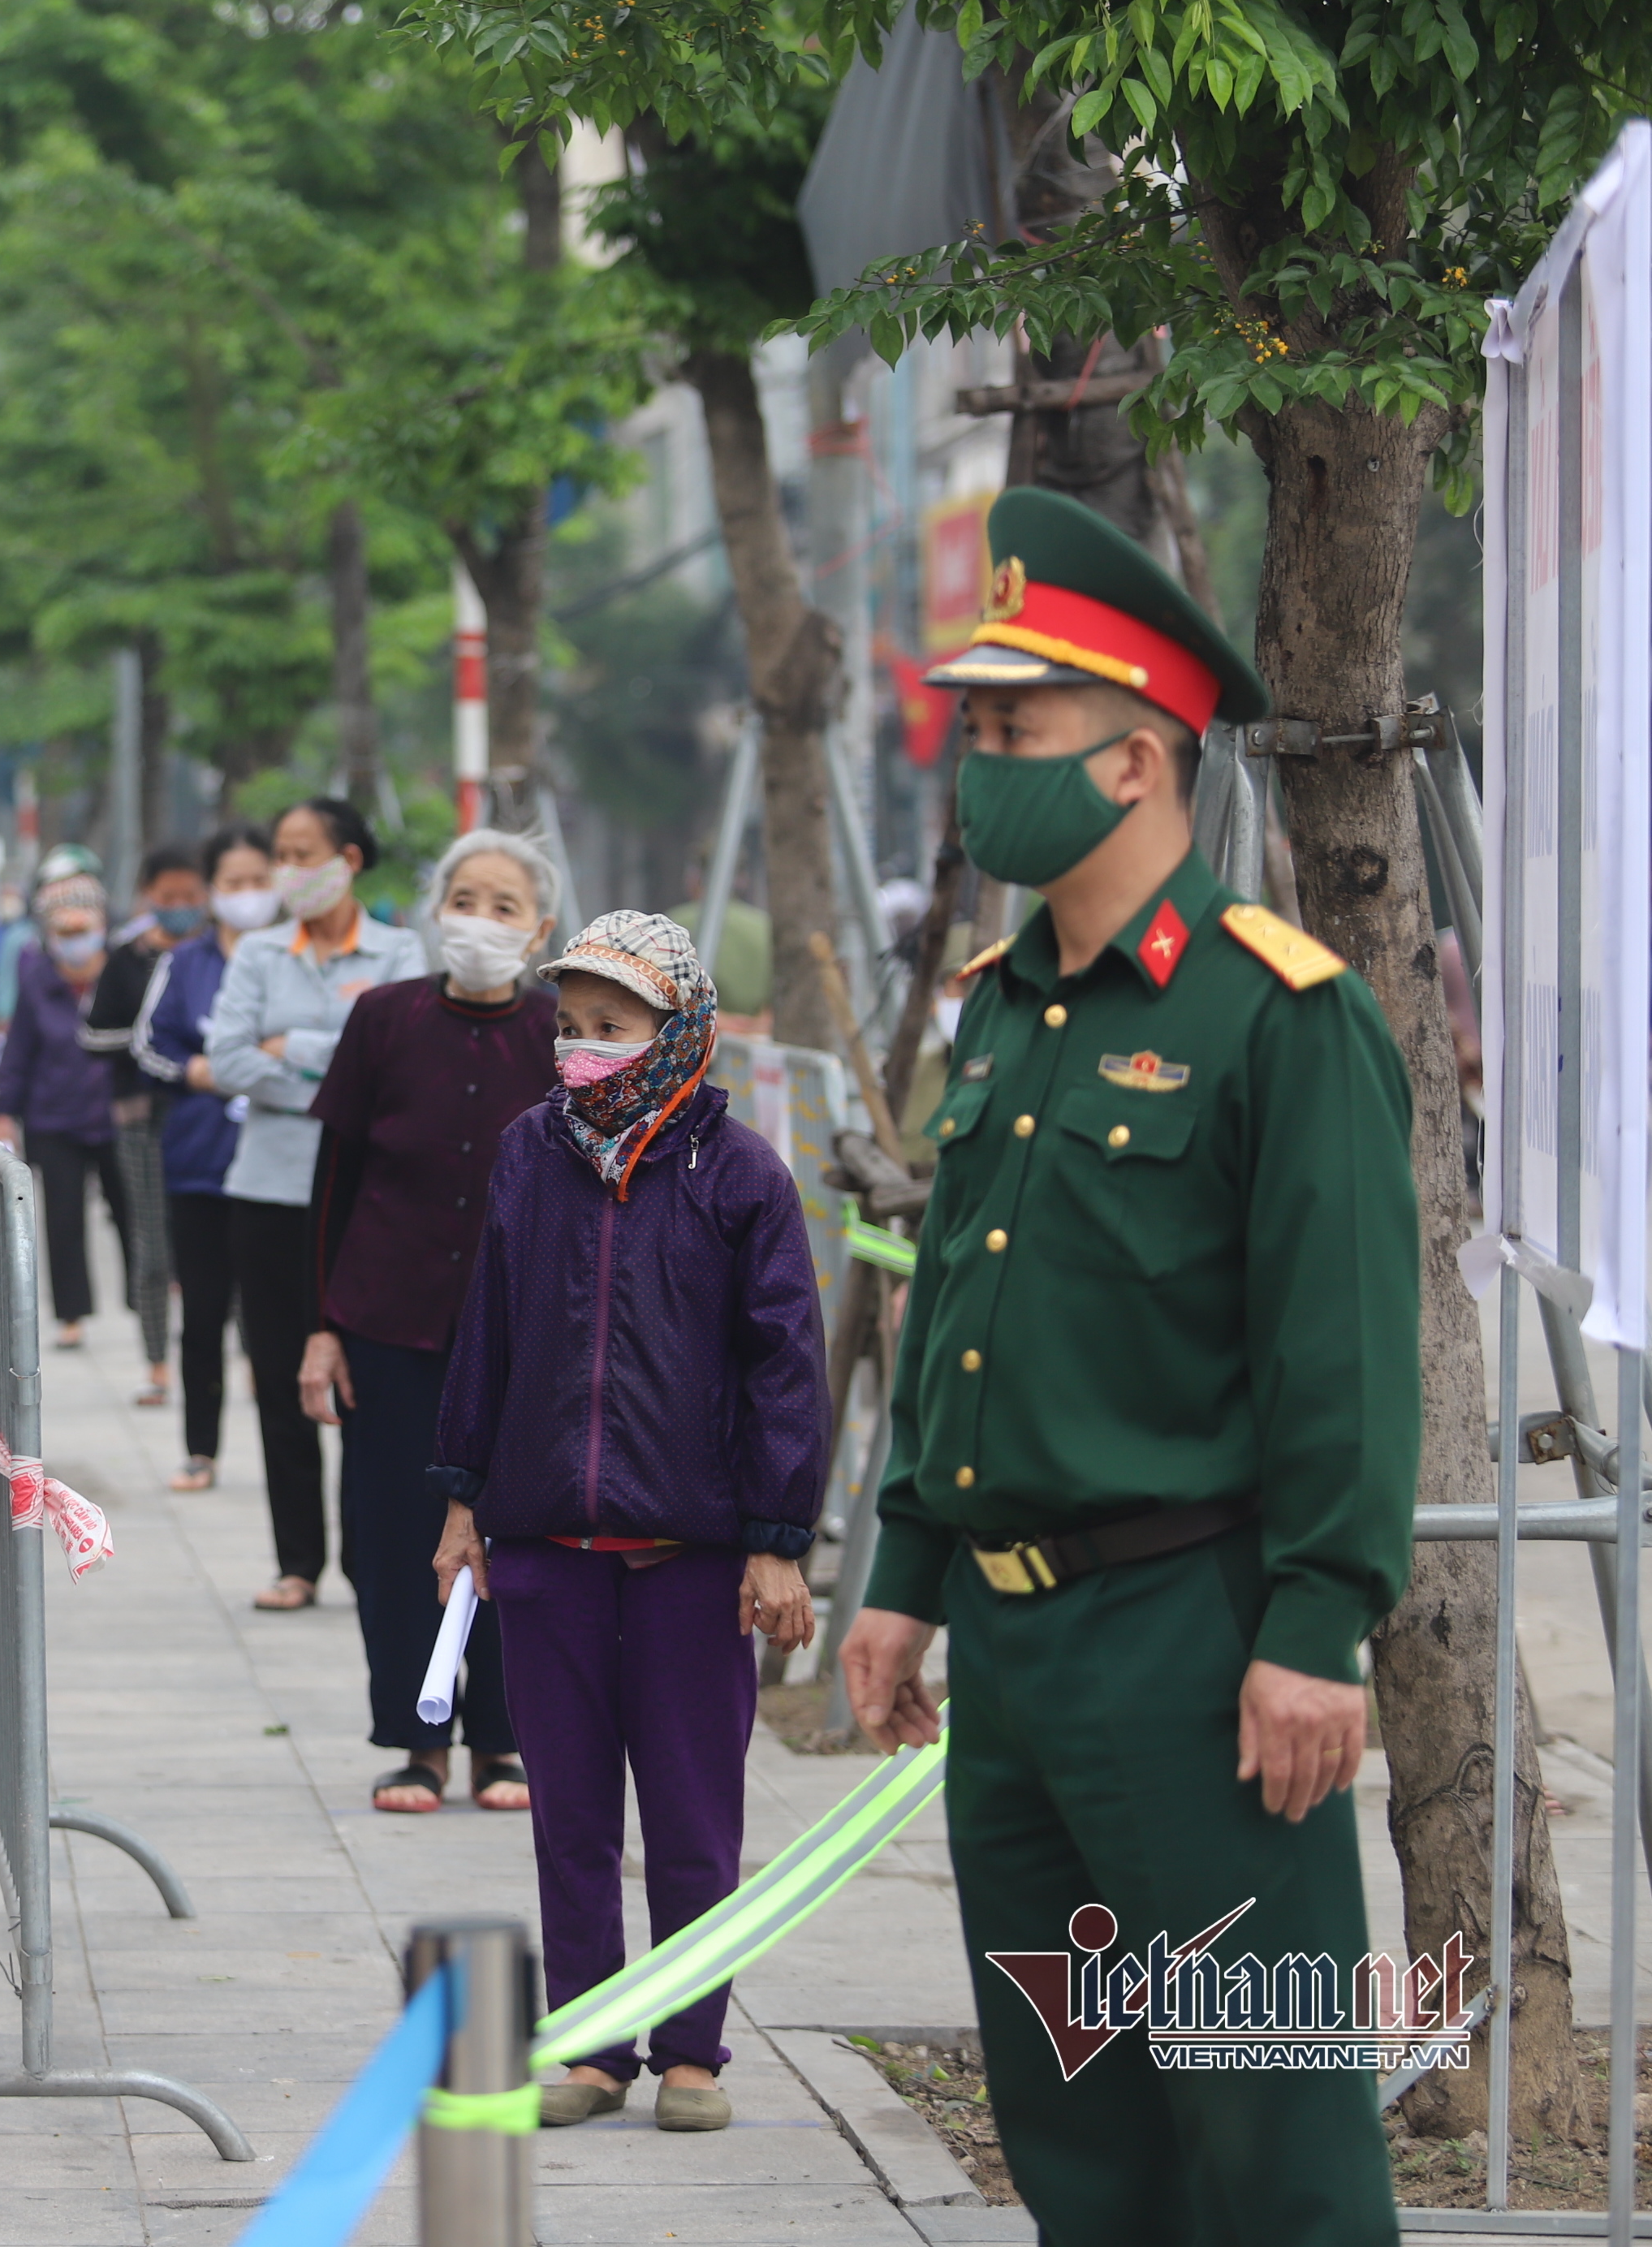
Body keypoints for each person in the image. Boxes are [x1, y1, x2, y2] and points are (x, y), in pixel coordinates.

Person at [838, 490, 1415, 2236]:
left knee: (1271, 2134)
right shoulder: (1004, 1001)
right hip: (1012, 1661)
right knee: (1071, 2130)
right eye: (972, 728)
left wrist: (1316, 1626)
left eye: (1013, 729)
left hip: (1195, 1642)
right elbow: (960, 1309)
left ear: (1137, 761)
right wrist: (905, 1573)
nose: (976, 762)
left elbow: (1342, 1353)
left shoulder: (1278, 1013)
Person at [423, 909, 823, 2133]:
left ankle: (692, 2049)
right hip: (546, 1548)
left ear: (679, 1029)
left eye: (613, 1027)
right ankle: (594, 2051)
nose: (583, 1050)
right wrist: (462, 1500)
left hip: (692, 1559)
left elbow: (786, 1366)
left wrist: (776, 1538)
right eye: (571, 1027)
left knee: (696, 1820)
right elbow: (485, 1328)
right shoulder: (530, 1151)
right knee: (572, 1819)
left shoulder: (742, 1172)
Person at [301, 830, 562, 1814]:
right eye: (465, 897)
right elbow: (333, 1181)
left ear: (537, 930)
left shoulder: (554, 1034)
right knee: (391, 1533)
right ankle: (418, 1741)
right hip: (386, 1318)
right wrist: (322, 1324)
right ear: (433, 910)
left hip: (520, 1332)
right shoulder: (382, 1018)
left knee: (517, 1537)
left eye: (504, 906)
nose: (480, 920)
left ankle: (503, 1741)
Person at [201, 797, 424, 1610]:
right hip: (267, 1193)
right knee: (273, 1376)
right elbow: (224, 1058)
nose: (289, 869)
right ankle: (297, 1560)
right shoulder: (260, 952)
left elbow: (402, 1061)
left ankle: (372, 1560)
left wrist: (289, 1052)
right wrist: (341, 1078)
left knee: (370, 1380)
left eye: (303, 853)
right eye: (281, 854)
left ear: (349, 858)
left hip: (369, 1199)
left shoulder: (399, 951)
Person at [135, 826, 273, 1490]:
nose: (247, 896)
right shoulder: (185, 963)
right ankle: (201, 1448)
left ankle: (289, 1444)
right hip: (200, 1159)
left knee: (278, 1314)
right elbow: (148, 1044)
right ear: (214, 890)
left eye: (259, 881)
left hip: (280, 1163)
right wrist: (194, 1071)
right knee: (205, 1311)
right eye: (234, 883)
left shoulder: (292, 958)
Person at [0, 866, 132, 1350]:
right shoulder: (36, 981)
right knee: (64, 1219)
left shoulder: (125, 975)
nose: (76, 942)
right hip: (55, 1116)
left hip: (119, 1115)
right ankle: (71, 1315)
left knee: (133, 1210)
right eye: (65, 932)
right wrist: (4, 1108)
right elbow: (19, 1052)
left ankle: (147, 1299)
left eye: (84, 930)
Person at [86, 844, 205, 1411]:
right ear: (148, 899)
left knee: (219, 1243)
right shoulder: (126, 959)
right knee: (151, 1244)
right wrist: (148, 1039)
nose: (180, 907)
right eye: (168, 898)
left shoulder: (217, 959)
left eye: (190, 897)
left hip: (206, 1117)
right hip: (141, 1119)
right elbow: (94, 1037)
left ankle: (244, 1356)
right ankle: (157, 1360)